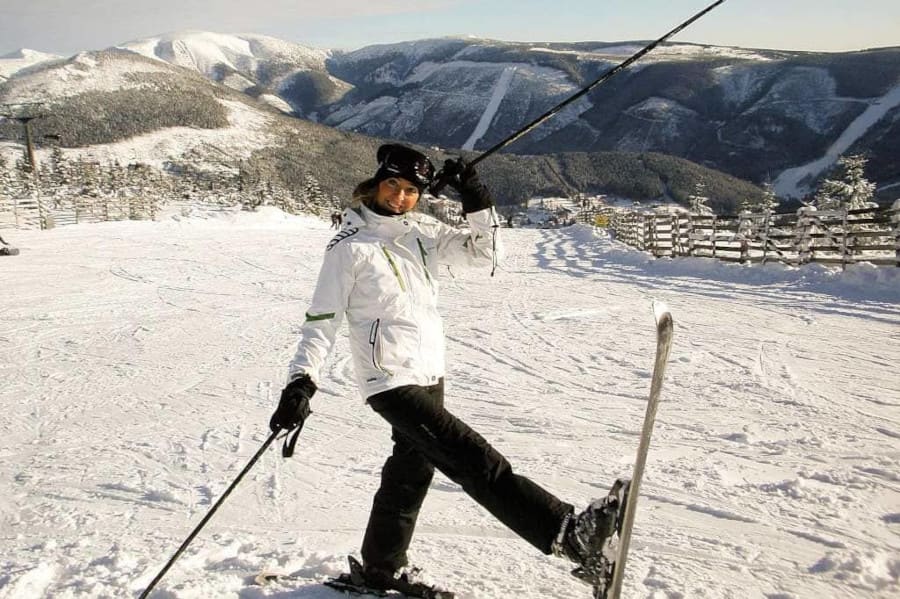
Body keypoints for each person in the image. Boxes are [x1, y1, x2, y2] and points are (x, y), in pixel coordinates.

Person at [269, 144, 624, 593]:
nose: (400, 197)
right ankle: (569, 534)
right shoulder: (349, 248)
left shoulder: (421, 234)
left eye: (411, 191)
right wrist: (301, 383)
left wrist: (474, 194)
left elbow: (487, 255)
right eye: (393, 186)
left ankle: (381, 566)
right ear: (378, 182)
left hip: (429, 373)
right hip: (390, 381)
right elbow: (321, 322)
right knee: (476, 460)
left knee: (410, 472)